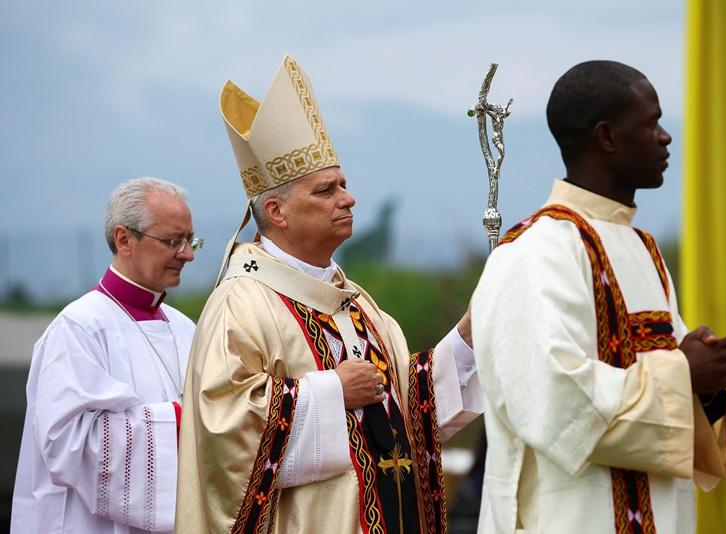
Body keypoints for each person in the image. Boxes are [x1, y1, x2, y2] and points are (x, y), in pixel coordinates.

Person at [471, 60, 726, 534]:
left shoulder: (644, 249)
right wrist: (684, 373)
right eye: (651, 122)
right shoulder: (533, 253)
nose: (665, 137)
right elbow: (555, 400)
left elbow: (670, 387)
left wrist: (707, 384)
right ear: (607, 137)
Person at [175, 55, 482, 534]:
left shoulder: (357, 303)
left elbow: (405, 406)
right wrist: (332, 390)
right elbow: (222, 433)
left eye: (344, 184)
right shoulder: (242, 303)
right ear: (275, 210)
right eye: (326, 190)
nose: (349, 198)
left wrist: (468, 337)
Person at [11, 177, 203, 533]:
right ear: (124, 239)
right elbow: (68, 444)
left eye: (190, 241)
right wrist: (183, 422)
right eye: (173, 241)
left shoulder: (185, 328)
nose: (187, 254)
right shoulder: (78, 329)